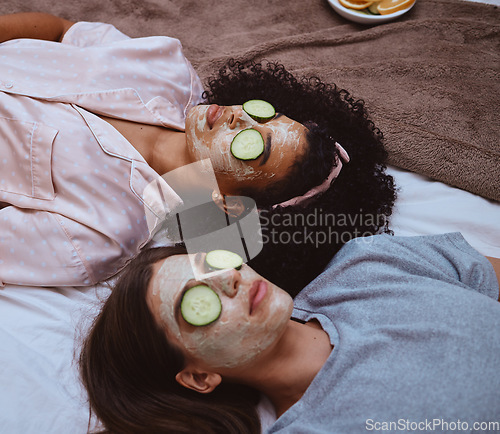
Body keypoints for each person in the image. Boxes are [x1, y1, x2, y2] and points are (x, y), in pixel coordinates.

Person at [0, 13, 395, 292]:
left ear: (226, 204)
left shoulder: (105, 233)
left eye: (254, 147)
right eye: (266, 114)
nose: (241, 119)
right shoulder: (167, 69)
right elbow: (61, 31)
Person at [79, 233, 500, 433]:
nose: (228, 280)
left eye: (213, 263)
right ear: (200, 377)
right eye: (196, 303)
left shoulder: (368, 262)